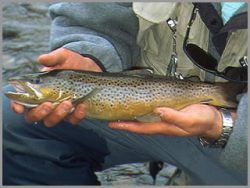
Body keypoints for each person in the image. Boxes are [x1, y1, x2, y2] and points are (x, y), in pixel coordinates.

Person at [3, 2, 247, 185]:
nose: (29, 84)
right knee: (10, 122)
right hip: (161, 108)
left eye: (35, 82)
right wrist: (92, 51)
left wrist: (227, 126)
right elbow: (95, 16)